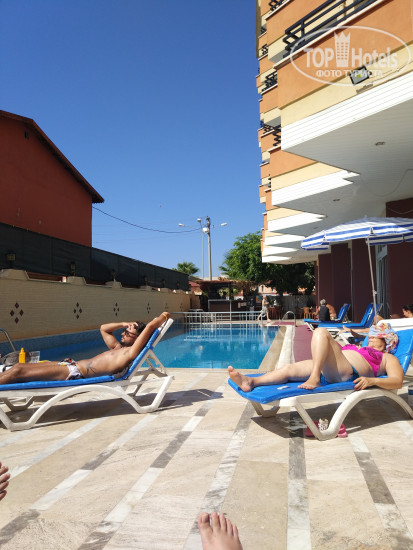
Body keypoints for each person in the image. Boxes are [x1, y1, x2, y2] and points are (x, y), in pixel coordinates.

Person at [0, 312, 170, 385]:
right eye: (124, 331)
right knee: (18, 367)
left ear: (138, 338)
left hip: (73, 373)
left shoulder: (129, 353)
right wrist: (123, 323)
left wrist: (163, 316)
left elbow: (149, 328)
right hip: (69, 365)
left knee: (18, 372)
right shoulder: (118, 348)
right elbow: (104, 329)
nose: (123, 333)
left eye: (127, 332)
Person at [228, 322, 403, 391]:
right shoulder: (360, 347)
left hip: (350, 373)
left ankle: (315, 377)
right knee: (288, 368)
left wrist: (372, 381)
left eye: (376, 336)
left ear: (387, 342)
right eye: (370, 335)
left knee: (320, 332)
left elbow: (397, 381)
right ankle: (251, 381)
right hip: (331, 368)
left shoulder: (388, 358)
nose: (370, 338)